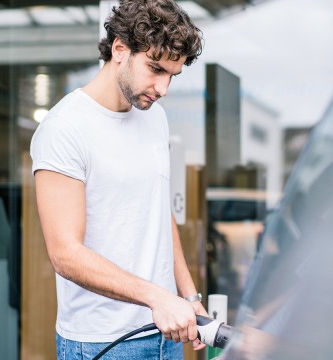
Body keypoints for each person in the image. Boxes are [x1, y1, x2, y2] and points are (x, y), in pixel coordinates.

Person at [30, 0, 205, 358]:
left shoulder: (155, 118)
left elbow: (159, 213)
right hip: (103, 342)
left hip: (165, 333)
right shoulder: (64, 128)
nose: (163, 88)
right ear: (120, 49)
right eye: (155, 69)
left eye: (173, 75)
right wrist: (158, 296)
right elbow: (65, 254)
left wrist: (189, 298)